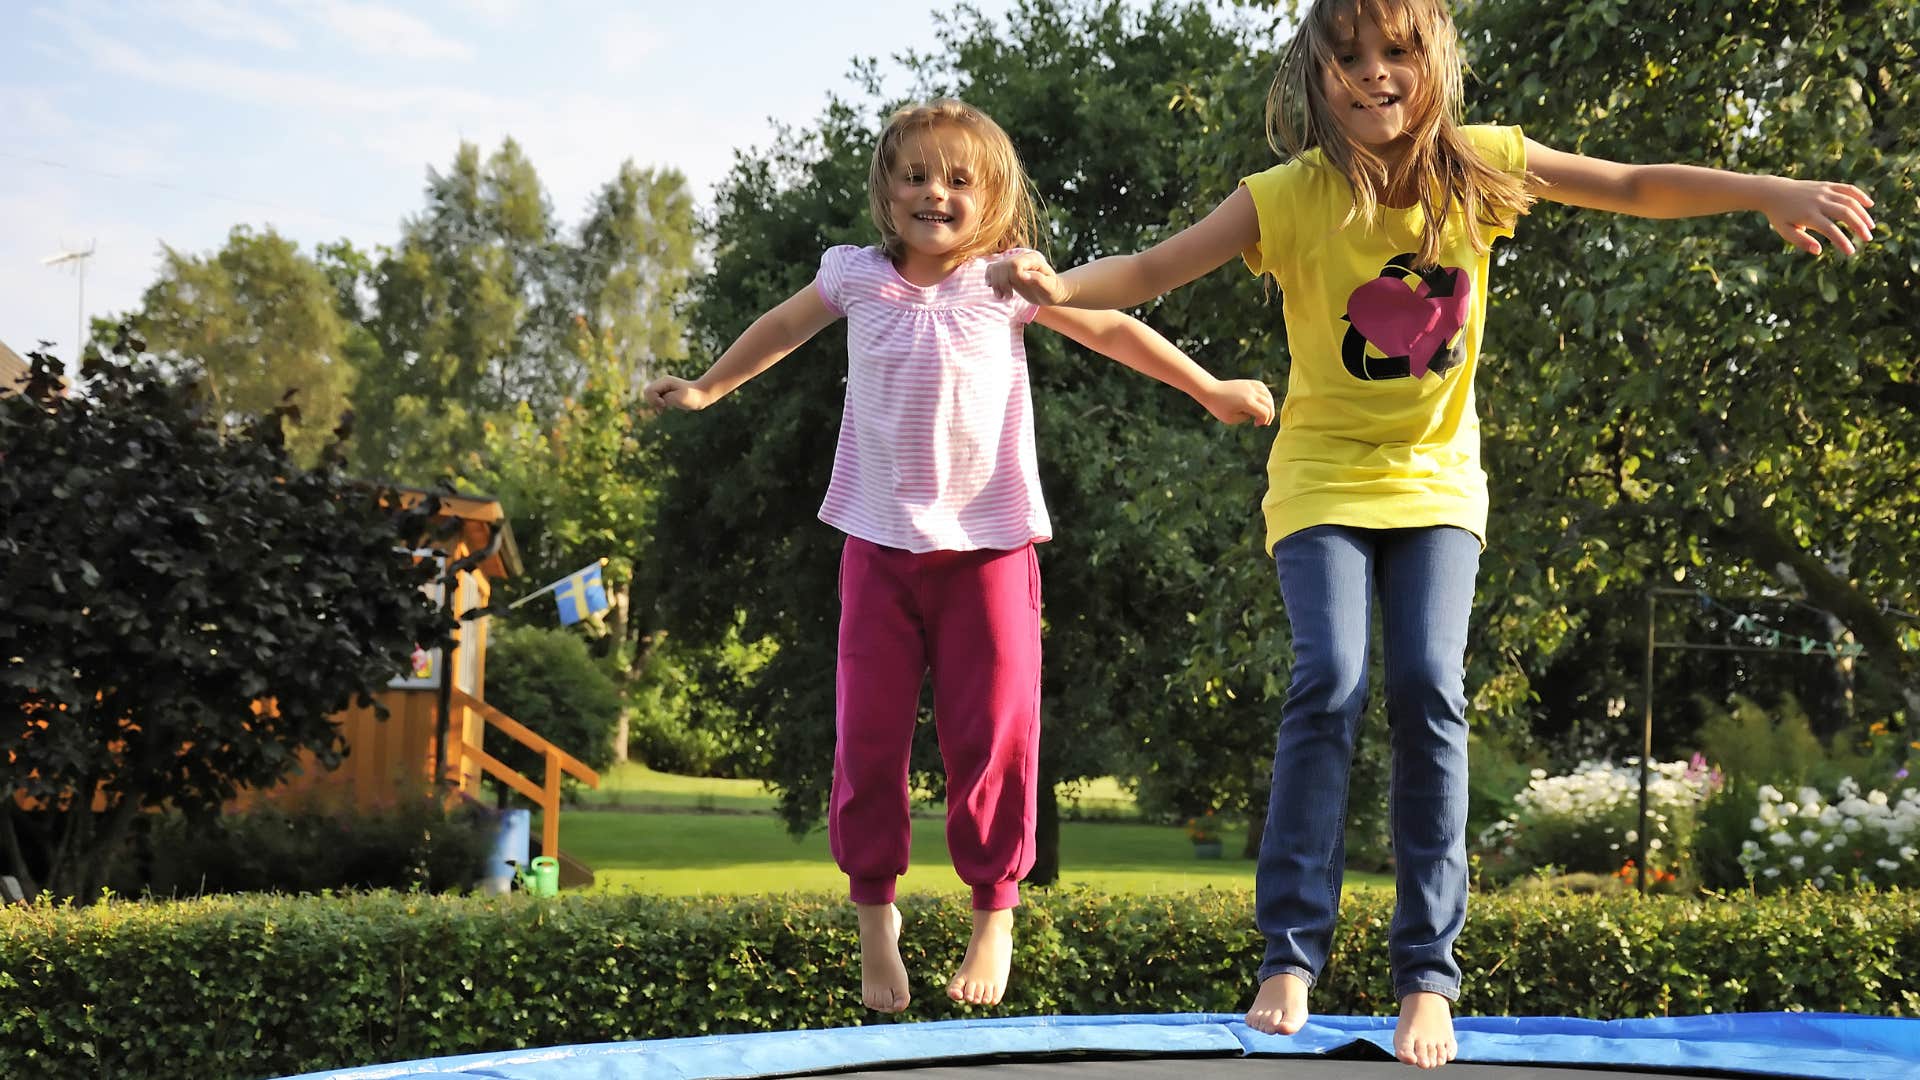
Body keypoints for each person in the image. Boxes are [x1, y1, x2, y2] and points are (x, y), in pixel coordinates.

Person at [984, 0, 1873, 1067]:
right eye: (1348, 59)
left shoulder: (1481, 168)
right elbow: (1157, 271)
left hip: (1440, 485)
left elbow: (1634, 186)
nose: (1373, 75)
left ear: (1433, 62)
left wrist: (1767, 192)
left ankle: (1427, 977)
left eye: (1395, 53)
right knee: (1333, 677)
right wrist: (1058, 284)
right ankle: (1289, 955)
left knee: (1428, 687)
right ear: (1316, 80)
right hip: (1319, 478)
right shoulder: (1288, 196)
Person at [644, 98, 1275, 1014]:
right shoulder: (855, 277)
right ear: (885, 189)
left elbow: (1112, 328)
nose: (932, 193)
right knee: (868, 741)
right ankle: (875, 921)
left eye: (956, 180)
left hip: (988, 546)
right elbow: (781, 328)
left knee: (994, 736)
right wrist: (708, 386)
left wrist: (1209, 387)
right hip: (879, 543)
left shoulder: (1008, 283)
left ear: (992, 199)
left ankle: (994, 913)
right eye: (914, 176)